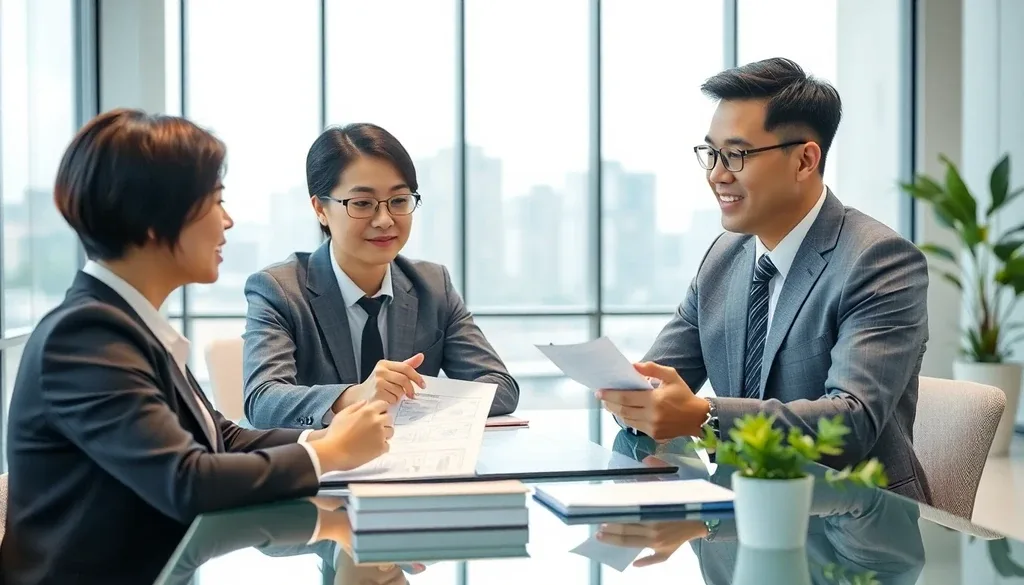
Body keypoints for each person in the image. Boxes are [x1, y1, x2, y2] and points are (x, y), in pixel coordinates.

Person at [0, 109, 393, 585]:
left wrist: (326, 441)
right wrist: (327, 454)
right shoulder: (85, 337)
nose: (227, 222)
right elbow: (186, 483)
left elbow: (219, 438)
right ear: (150, 218)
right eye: (214, 201)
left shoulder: (125, 324)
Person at [597, 58, 932, 503]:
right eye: (711, 153)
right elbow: (661, 385)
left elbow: (851, 423)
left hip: (855, 528)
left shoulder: (878, 260)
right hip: (739, 515)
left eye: (736, 154)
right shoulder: (723, 258)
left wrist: (705, 417)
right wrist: (636, 402)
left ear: (804, 160)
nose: (717, 174)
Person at [242, 123, 519, 429]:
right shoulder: (280, 290)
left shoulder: (432, 285)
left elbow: (500, 388)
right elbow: (263, 400)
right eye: (362, 204)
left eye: (399, 201)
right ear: (320, 209)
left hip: (418, 467)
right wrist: (356, 396)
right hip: (322, 470)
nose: (385, 220)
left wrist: (408, 400)